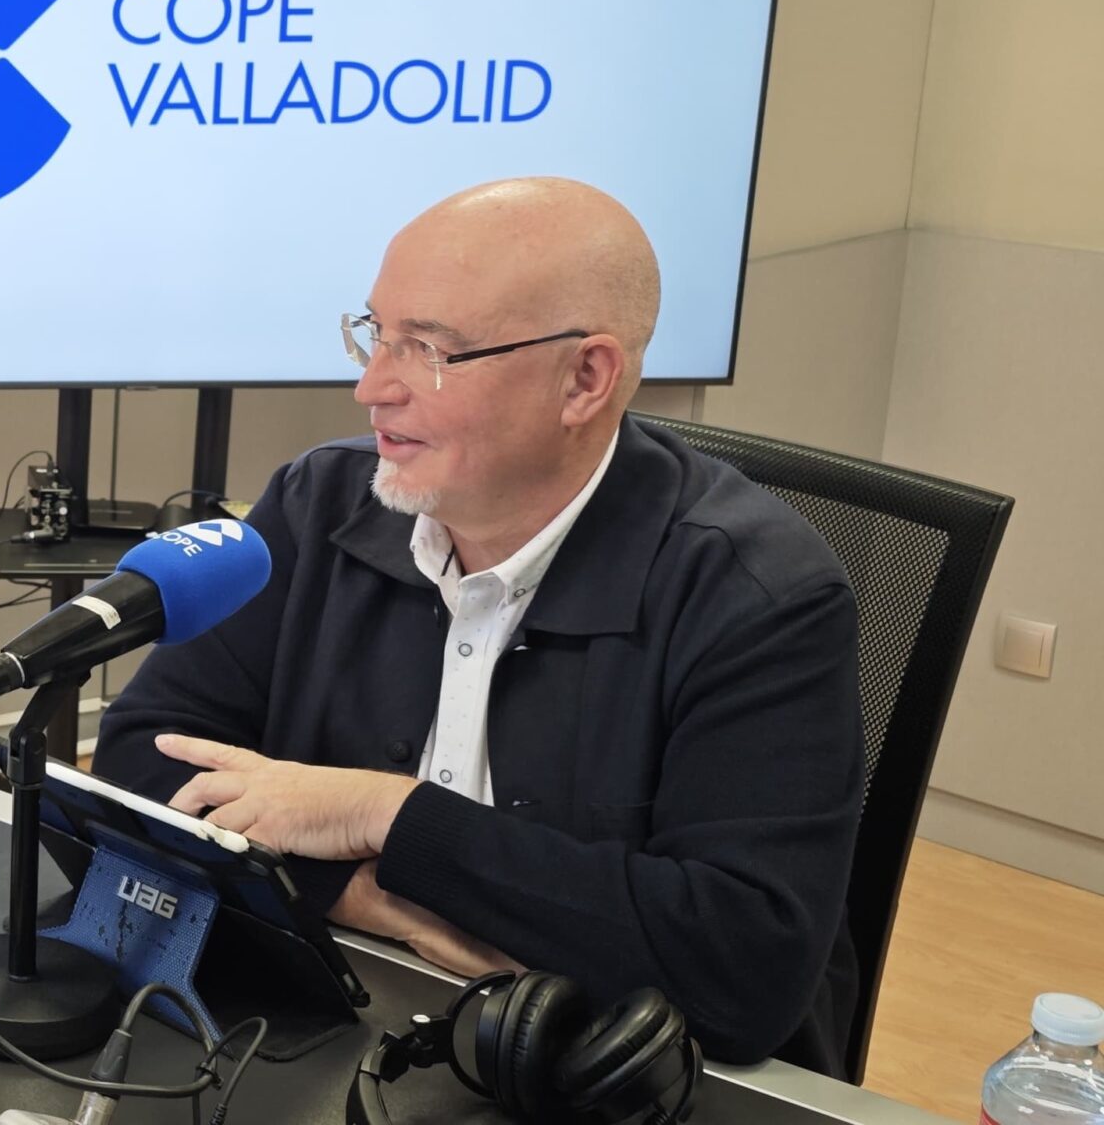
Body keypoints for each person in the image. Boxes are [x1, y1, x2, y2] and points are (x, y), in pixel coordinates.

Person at [92, 178, 864, 1075]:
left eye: (429, 350)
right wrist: (372, 899)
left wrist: (384, 812)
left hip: (614, 1077)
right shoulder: (319, 500)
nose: (371, 387)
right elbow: (144, 761)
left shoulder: (760, 596)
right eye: (376, 334)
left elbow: (741, 969)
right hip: (349, 1016)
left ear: (585, 379)